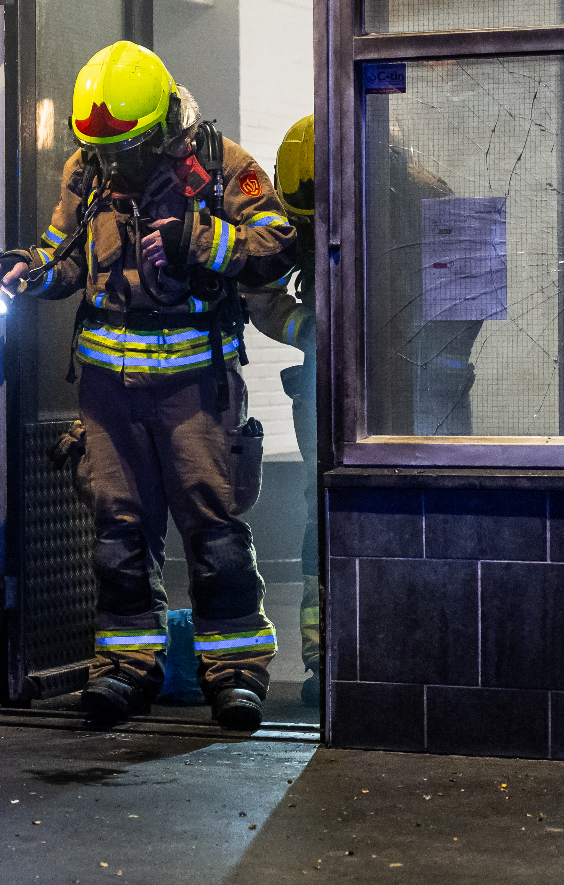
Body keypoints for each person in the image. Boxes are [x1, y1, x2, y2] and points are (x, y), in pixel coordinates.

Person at [0, 42, 297, 731]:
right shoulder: (86, 167)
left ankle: (236, 673)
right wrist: (25, 269)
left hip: (194, 386)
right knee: (118, 536)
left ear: (159, 127)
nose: (113, 165)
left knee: (214, 534)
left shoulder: (223, 165)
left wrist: (200, 239)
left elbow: (278, 237)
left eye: (127, 149)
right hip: (108, 388)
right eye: (102, 150)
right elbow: (62, 254)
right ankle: (125, 669)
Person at [242, 115, 320, 706]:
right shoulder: (290, 216)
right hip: (327, 382)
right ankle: (325, 656)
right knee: (323, 508)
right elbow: (259, 288)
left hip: (415, 385)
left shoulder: (423, 200)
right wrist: (311, 332)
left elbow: (466, 287)